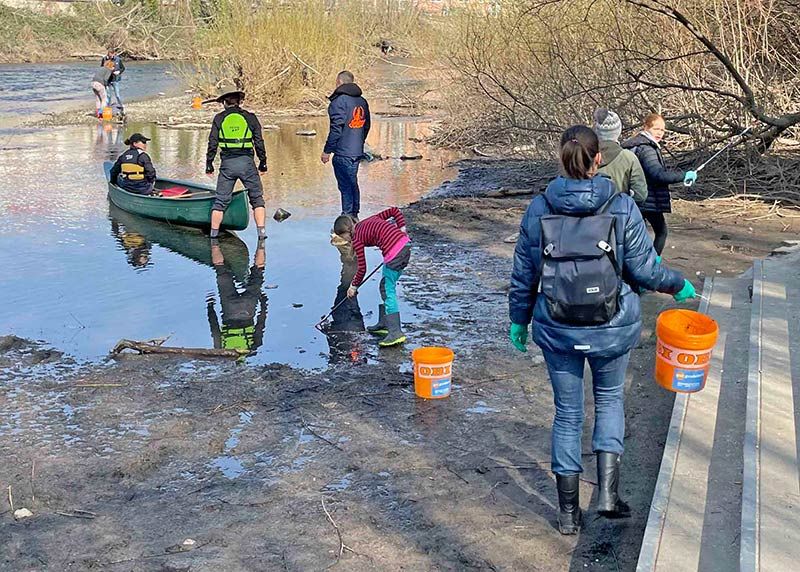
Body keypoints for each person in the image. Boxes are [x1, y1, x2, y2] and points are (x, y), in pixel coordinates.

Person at [508, 125, 696, 535]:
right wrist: (676, 283)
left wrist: (518, 321)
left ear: (560, 158)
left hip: (557, 328)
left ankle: (568, 513)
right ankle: (608, 497)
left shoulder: (539, 208)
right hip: (612, 326)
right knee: (609, 402)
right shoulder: (622, 205)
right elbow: (644, 270)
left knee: (568, 414)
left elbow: (524, 274)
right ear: (600, 159)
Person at [332, 207, 410, 347]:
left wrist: (353, 286)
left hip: (395, 254)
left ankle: (395, 332)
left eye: (343, 238)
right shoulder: (368, 221)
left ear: (347, 232)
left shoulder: (357, 239)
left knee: (387, 289)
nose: (346, 241)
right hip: (405, 247)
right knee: (384, 285)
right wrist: (402, 229)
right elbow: (394, 211)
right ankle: (384, 323)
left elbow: (362, 268)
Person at [622, 113, 697, 255]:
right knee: (661, 232)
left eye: (663, 130)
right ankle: (652, 266)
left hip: (637, 198)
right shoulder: (647, 148)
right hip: (647, 200)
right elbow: (657, 175)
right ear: (646, 127)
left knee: (638, 236)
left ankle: (643, 265)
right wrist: (684, 175)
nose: (660, 133)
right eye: (656, 129)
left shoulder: (637, 144)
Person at [206, 82, 268, 239]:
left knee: (220, 201)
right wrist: (263, 162)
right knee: (257, 199)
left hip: (227, 164)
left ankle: (213, 235)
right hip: (247, 163)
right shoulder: (250, 117)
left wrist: (209, 164)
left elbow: (212, 142)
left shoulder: (219, 118)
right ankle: (261, 234)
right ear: (239, 101)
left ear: (225, 103)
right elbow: (259, 142)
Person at [321, 70, 371, 218]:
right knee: (352, 182)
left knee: (345, 185)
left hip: (343, 151)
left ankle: (347, 216)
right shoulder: (362, 101)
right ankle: (354, 214)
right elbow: (367, 125)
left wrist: (327, 151)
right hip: (356, 150)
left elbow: (336, 129)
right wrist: (359, 143)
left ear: (339, 82)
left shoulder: (339, 102)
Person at [207, 238, 267, 356]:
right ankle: (214, 243)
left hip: (248, 309)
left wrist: (264, 303)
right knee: (221, 270)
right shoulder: (222, 349)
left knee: (258, 273)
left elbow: (260, 324)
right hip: (230, 310)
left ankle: (261, 244)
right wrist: (210, 306)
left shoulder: (252, 349)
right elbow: (214, 328)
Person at [592, 108, 648, 205]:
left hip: (588, 217)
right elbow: (641, 195)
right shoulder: (629, 157)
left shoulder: (583, 155)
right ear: (618, 131)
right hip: (620, 215)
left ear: (596, 131)